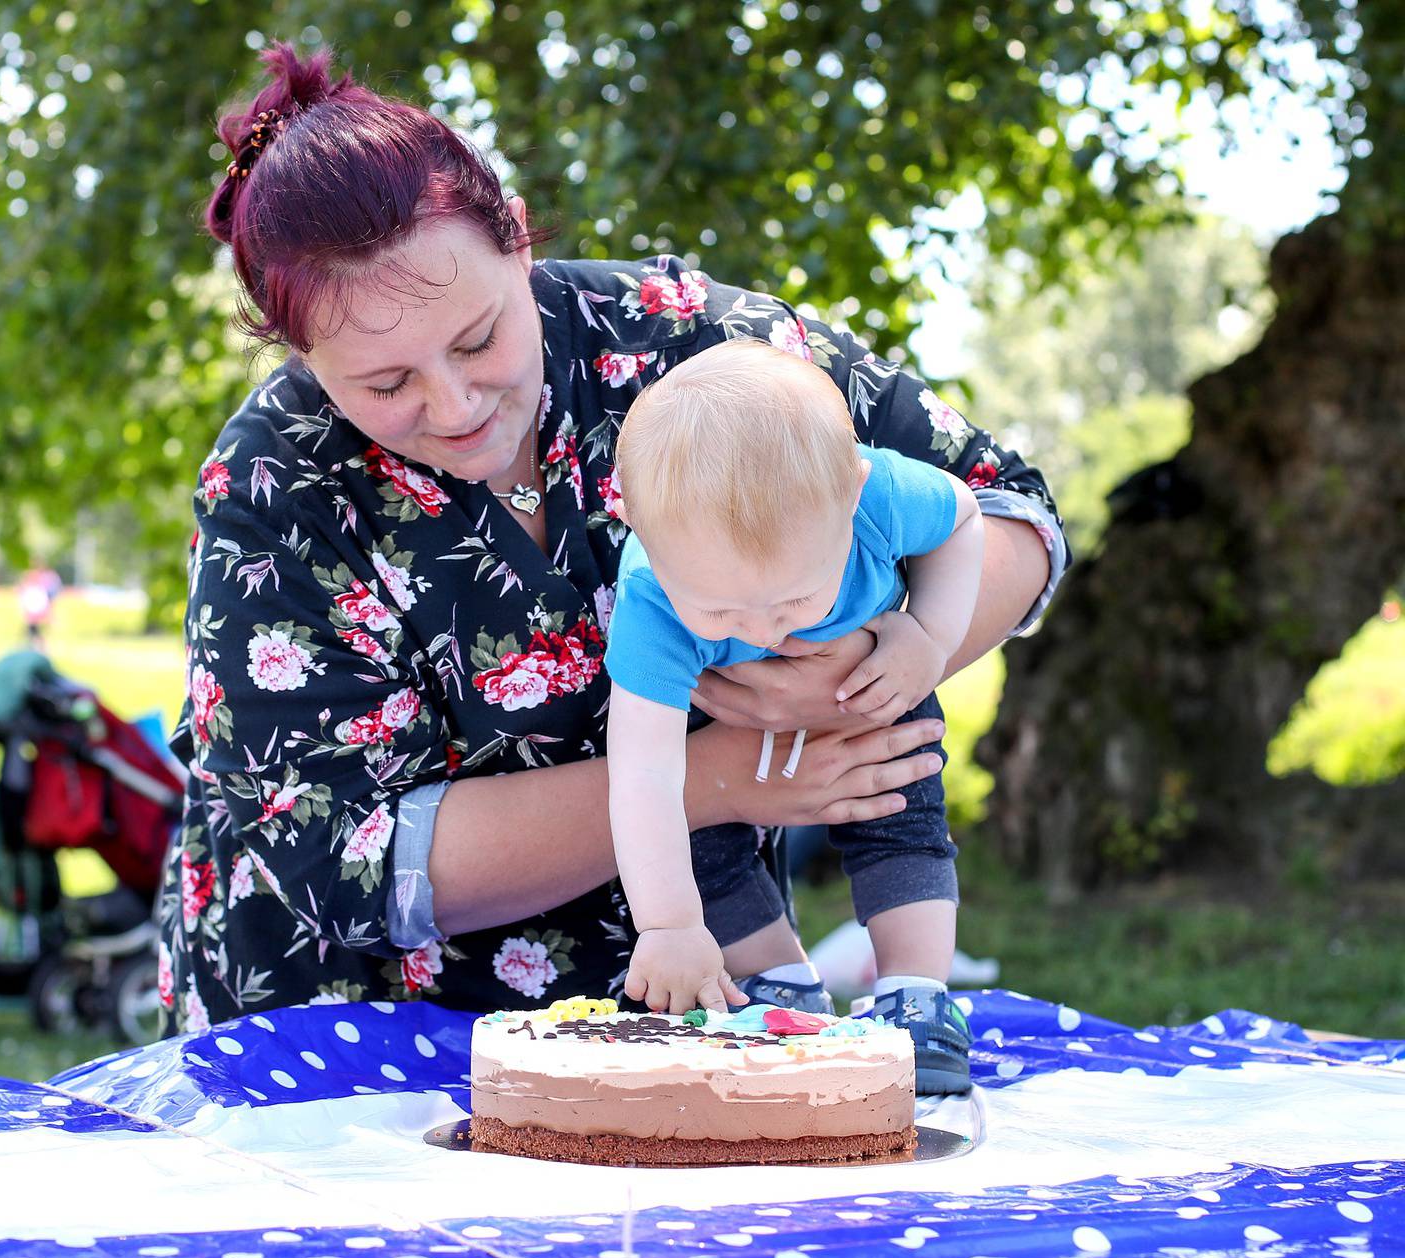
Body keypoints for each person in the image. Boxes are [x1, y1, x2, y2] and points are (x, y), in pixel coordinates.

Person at [155, 42, 1068, 1034]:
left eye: (477, 339)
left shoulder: (688, 343)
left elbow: (1013, 511)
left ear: (517, 243)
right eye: (386, 385)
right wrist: (726, 773)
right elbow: (348, 861)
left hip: (696, 1014)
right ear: (304, 354)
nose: (454, 403)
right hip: (344, 1043)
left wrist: (873, 661)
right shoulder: (273, 490)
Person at [605, 339, 983, 1093]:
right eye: (717, 609)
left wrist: (929, 640)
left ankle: (916, 994)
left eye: (795, 600)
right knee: (701, 836)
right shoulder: (652, 599)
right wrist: (670, 926)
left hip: (873, 688)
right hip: (722, 722)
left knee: (900, 809)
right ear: (641, 533)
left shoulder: (880, 498)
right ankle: (779, 979)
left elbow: (967, 519)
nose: (767, 633)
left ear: (853, 494)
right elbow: (643, 775)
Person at [17, 560, 62, 646]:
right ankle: (34, 644)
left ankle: (36, 644)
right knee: (32, 629)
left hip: (37, 606)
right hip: (33, 606)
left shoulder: (45, 577)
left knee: (34, 629)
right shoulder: (30, 576)